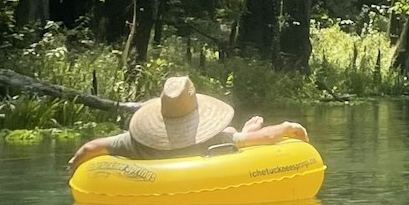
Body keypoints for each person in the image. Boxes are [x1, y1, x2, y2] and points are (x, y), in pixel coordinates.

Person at [67, 74, 306, 170]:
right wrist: (287, 127)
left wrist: (73, 168)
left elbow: (90, 148)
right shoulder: (210, 138)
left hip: (151, 172)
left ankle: (239, 131)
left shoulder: (136, 143)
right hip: (208, 157)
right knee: (233, 137)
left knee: (232, 136)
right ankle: (241, 129)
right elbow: (263, 138)